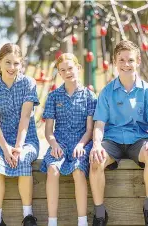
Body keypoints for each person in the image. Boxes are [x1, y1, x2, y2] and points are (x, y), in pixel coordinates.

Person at [89, 40, 148, 226]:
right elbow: (99, 125)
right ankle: (99, 213)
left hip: (138, 141)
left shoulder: (147, 92)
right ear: (115, 62)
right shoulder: (107, 92)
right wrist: (96, 144)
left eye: (130, 60)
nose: (126, 64)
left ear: (138, 62)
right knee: (95, 160)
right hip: (112, 141)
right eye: (121, 60)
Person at [0, 43, 39, 226]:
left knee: (24, 159)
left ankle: (28, 216)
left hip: (26, 138)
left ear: (21, 64)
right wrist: (5, 149)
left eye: (16, 63)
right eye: (8, 62)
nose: (12, 67)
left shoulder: (29, 84)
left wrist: (18, 147)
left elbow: (25, 117)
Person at [40, 53, 97, 226]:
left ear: (78, 69)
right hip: (60, 142)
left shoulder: (89, 96)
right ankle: (52, 221)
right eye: (63, 70)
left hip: (82, 142)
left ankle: (82, 221)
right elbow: (48, 130)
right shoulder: (53, 96)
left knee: (78, 170)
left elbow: (89, 129)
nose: (67, 72)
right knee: (52, 169)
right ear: (59, 73)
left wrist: (81, 144)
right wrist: (54, 144)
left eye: (70, 68)